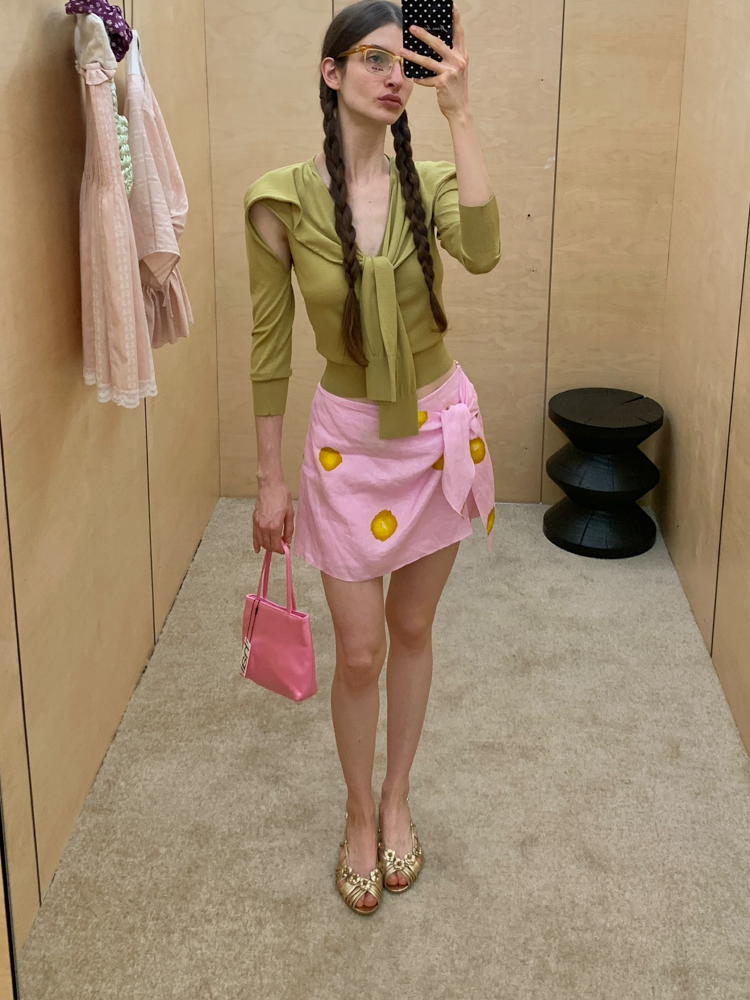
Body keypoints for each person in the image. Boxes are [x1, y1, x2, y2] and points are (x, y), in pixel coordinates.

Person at [243, 0, 501, 915]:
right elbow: (270, 345)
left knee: (414, 629)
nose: (395, 77)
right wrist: (269, 478)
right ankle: (357, 813)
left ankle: (396, 801)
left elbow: (484, 251)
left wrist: (460, 113)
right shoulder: (280, 200)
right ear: (332, 71)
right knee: (359, 653)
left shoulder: (430, 181)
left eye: (406, 64)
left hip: (436, 431)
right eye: (374, 59)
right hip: (348, 444)